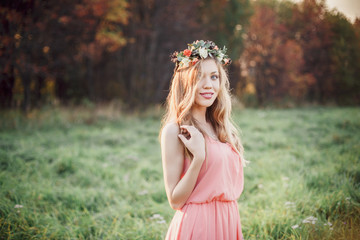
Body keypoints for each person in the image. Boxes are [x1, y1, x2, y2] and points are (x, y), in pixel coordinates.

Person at [159, 40, 248, 240]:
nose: (208, 84)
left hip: (228, 220)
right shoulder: (175, 130)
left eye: (214, 76)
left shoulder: (223, 128)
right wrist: (198, 157)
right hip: (198, 227)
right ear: (185, 82)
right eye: (199, 77)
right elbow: (174, 201)